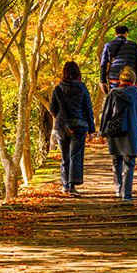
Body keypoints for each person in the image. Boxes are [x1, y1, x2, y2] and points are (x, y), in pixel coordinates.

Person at [99, 66, 137, 202]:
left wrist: (102, 133)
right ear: (133, 81)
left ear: (120, 80)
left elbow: (106, 114)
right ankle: (126, 195)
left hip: (114, 132)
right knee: (129, 163)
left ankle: (118, 189)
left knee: (116, 161)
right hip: (131, 133)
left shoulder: (112, 93)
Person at [49, 61, 96, 196]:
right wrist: (92, 130)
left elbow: (53, 109)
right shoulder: (82, 88)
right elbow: (88, 109)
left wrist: (62, 118)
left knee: (65, 156)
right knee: (75, 155)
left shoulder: (58, 89)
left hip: (61, 126)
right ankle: (72, 186)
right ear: (78, 73)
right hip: (79, 125)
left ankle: (65, 185)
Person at [99, 25, 137, 94]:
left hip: (114, 78)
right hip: (129, 78)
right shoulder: (133, 45)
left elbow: (103, 64)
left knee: (115, 97)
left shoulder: (108, 45)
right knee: (129, 97)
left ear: (115, 34)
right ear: (126, 33)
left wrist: (102, 81)